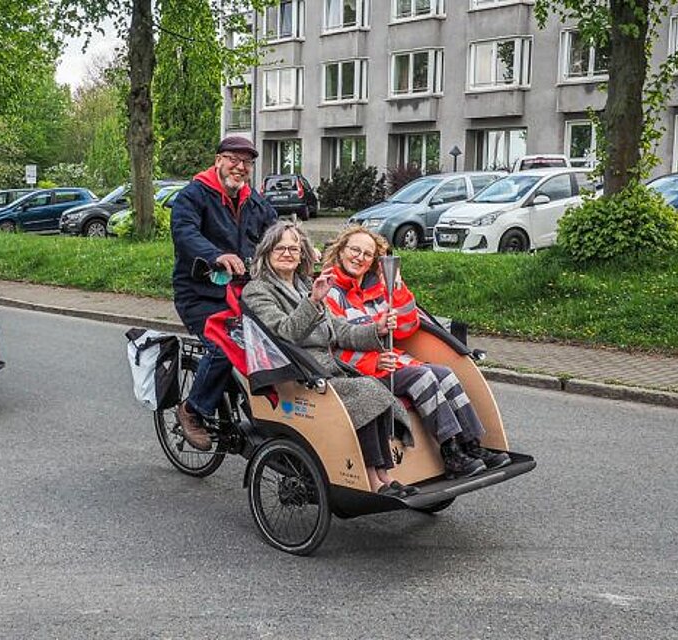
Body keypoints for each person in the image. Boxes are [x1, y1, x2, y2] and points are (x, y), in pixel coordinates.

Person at [241, 221, 416, 496]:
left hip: (325, 371)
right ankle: (373, 480)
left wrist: (377, 330)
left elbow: (341, 331)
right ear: (267, 253)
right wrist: (312, 301)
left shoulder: (303, 285)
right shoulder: (258, 291)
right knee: (368, 390)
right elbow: (286, 334)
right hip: (297, 374)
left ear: (302, 255)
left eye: (294, 248)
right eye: (280, 248)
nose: (287, 253)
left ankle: (383, 473)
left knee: (374, 388)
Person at [322, 226, 511, 478]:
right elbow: (334, 343)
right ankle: (451, 452)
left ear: (375, 261)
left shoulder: (377, 289)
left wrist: (397, 286)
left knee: (445, 374)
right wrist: (376, 360)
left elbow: (407, 325)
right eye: (354, 250)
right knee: (422, 377)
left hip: (391, 363)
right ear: (340, 251)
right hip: (361, 372)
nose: (359, 258)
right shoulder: (330, 291)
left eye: (367, 254)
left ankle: (472, 444)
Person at [170, 135, 277, 451]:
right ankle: (192, 410)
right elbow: (185, 233)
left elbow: (276, 233)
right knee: (223, 346)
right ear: (218, 160)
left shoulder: (254, 201)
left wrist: (298, 251)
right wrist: (217, 254)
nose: (240, 167)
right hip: (200, 296)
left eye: (247, 162)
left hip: (246, 295)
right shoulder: (193, 196)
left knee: (278, 343)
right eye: (233, 159)